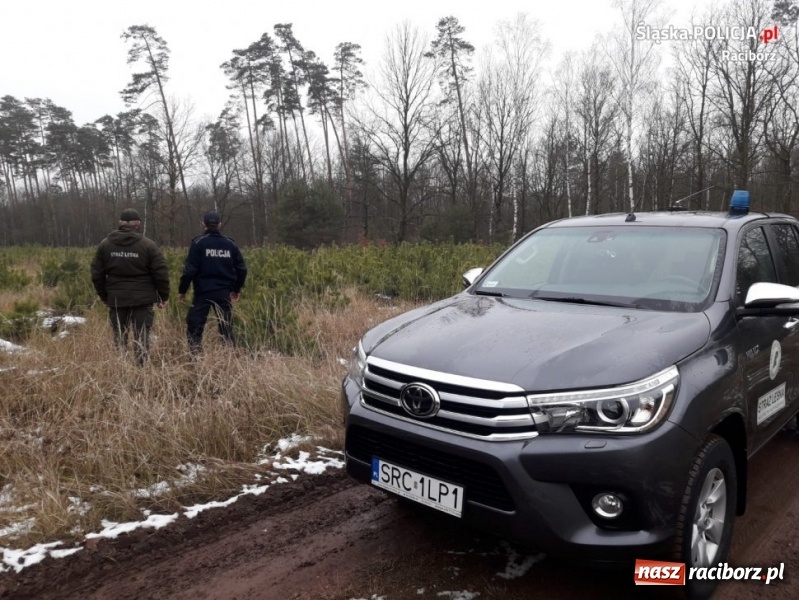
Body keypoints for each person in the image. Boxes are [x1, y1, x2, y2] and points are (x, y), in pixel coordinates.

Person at [90, 208, 170, 365]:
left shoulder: (105, 245)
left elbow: (96, 274)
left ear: (120, 224)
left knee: (119, 335)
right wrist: (163, 296)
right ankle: (141, 369)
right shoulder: (148, 245)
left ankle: (121, 367)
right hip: (143, 299)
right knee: (141, 336)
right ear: (138, 225)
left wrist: (105, 297)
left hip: (117, 298)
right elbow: (160, 273)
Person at [178, 211, 247, 354]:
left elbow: (190, 270)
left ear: (203, 224)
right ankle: (228, 358)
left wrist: (182, 290)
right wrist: (236, 289)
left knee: (195, 326)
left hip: (202, 292)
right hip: (223, 292)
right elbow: (242, 269)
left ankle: (195, 358)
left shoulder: (198, 243)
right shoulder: (230, 244)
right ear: (220, 225)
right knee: (226, 327)